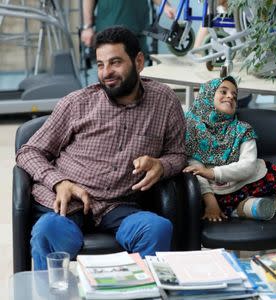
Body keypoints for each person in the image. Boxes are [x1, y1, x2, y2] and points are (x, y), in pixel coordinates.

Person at [16, 26, 186, 270]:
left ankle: (141, 294)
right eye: (100, 64)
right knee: (47, 231)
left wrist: (162, 165)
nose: (107, 73)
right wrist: (59, 182)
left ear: (138, 61)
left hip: (121, 206)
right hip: (67, 204)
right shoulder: (77, 103)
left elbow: (178, 153)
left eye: (115, 62)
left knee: (157, 229)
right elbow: (28, 152)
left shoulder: (165, 101)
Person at [183, 76, 276, 222]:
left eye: (234, 95)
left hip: (255, 180)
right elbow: (196, 171)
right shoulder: (192, 130)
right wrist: (211, 204)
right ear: (207, 95)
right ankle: (259, 206)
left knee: (274, 177)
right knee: (236, 206)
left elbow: (248, 166)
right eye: (223, 92)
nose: (230, 96)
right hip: (219, 193)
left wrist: (212, 172)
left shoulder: (242, 129)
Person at [81, 0, 176, 57]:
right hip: (108, 33)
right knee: (110, 73)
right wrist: (87, 26)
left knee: (138, 76)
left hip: (137, 32)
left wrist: (166, 6)